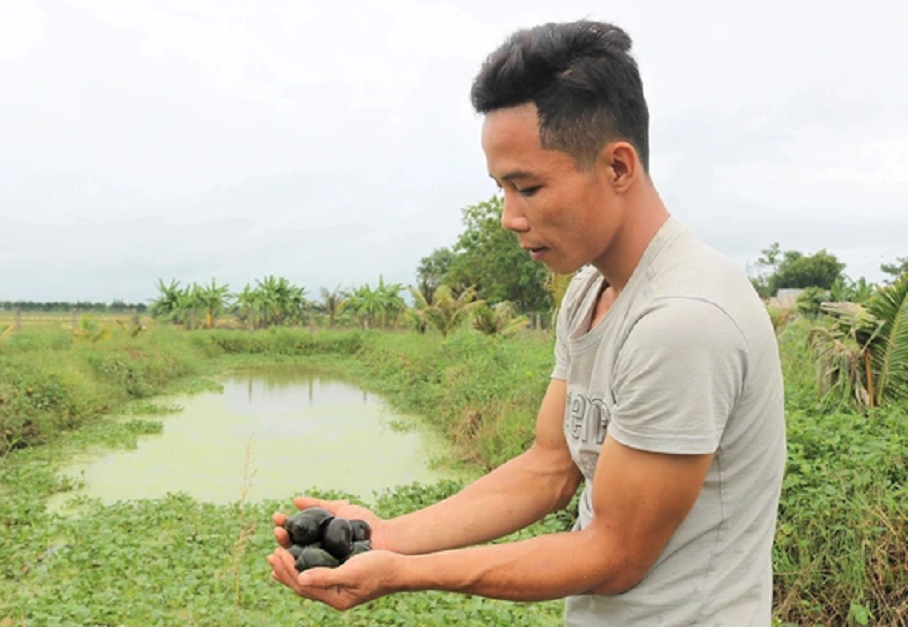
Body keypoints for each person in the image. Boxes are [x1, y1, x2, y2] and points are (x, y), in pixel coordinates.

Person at [268, 19, 786, 626]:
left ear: (619, 167)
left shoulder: (684, 320)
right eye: (502, 189)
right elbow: (549, 467)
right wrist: (386, 536)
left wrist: (403, 573)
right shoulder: (590, 288)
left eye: (529, 187)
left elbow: (615, 555)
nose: (510, 217)